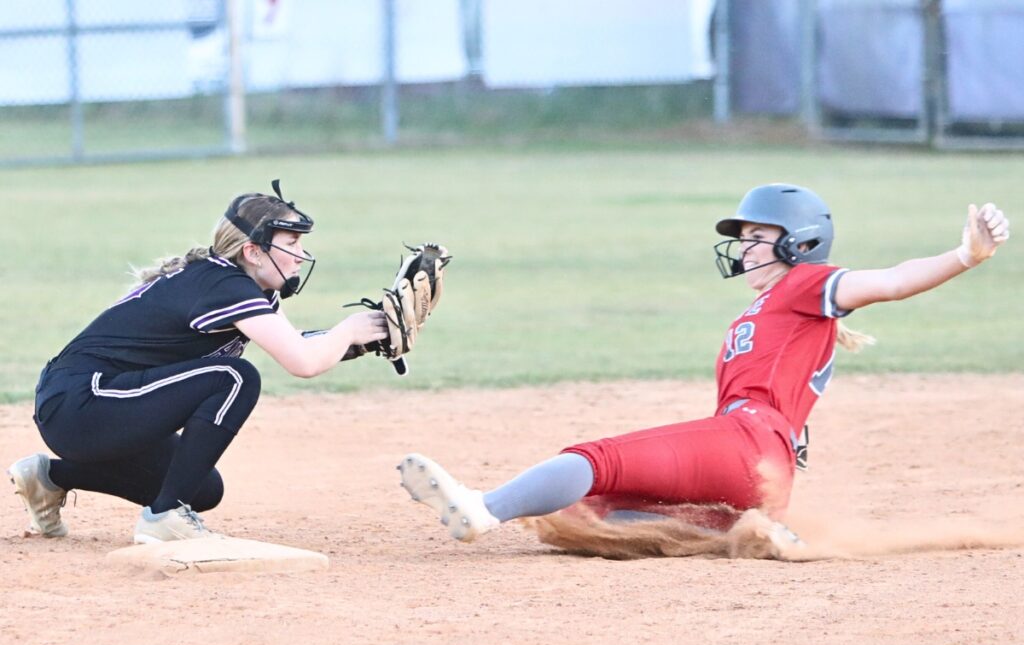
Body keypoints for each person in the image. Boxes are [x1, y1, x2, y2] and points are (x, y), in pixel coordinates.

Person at [398, 183, 1010, 556]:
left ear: (798, 242)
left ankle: (483, 509)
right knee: (583, 514)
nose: (743, 246)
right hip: (756, 462)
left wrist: (966, 255)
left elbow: (893, 281)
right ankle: (736, 532)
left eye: (756, 235)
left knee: (593, 460)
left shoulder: (809, 283)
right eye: (741, 236)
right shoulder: (772, 302)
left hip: (747, 441)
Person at [8, 181, 388, 543]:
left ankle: (50, 477)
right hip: (82, 403)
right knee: (234, 378)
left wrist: (369, 335)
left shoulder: (244, 287)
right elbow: (302, 363)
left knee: (202, 487)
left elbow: (298, 345)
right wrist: (350, 329)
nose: (301, 255)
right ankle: (165, 519)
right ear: (253, 252)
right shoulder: (224, 285)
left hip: (92, 405)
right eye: (291, 243)